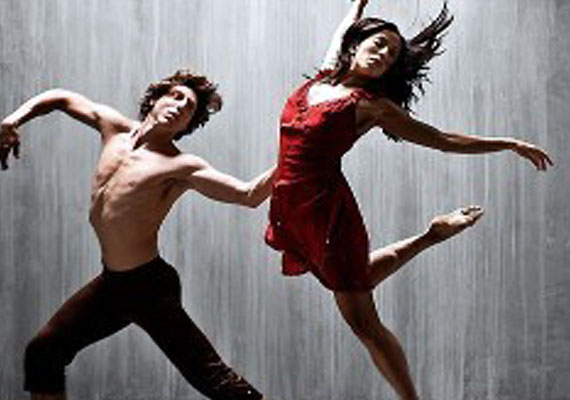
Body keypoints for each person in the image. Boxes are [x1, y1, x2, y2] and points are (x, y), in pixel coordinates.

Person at [264, 1, 553, 399]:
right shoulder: (324, 76)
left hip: (326, 214)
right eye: (379, 44)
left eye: (392, 55)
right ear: (356, 44)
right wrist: (359, 3)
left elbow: (441, 139)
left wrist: (507, 143)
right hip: (290, 209)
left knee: (363, 322)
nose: (384, 54)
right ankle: (432, 234)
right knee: (354, 279)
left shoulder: (371, 106)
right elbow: (344, 28)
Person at [0, 69, 275, 400]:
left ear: (188, 124)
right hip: (112, 283)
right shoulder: (113, 128)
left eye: (189, 108)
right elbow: (60, 98)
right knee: (44, 352)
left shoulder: (181, 165)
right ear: (155, 99)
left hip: (148, 287)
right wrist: (12, 120)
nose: (180, 106)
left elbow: (248, 194)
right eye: (175, 96)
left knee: (214, 379)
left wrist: (302, 153)